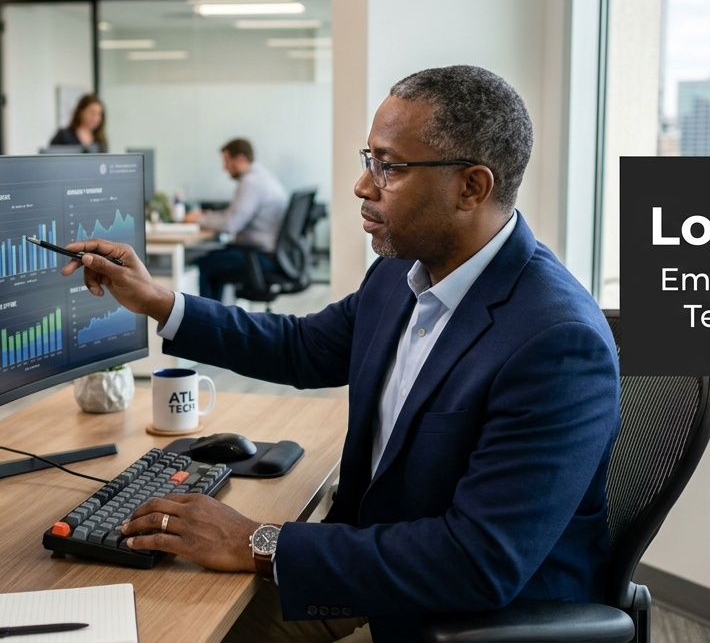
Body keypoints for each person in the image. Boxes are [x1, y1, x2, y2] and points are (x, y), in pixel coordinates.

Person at [61, 66, 620, 642]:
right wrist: (158, 301)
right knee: (159, 607)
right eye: (368, 158)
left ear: (471, 187)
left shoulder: (556, 343)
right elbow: (301, 348)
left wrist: (256, 540)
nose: (362, 185)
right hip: (368, 574)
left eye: (389, 166)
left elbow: (477, 561)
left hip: (458, 620)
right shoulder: (404, 272)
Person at [185, 138, 289, 300]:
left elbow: (230, 223)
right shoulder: (263, 177)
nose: (224, 168)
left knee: (204, 265)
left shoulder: (252, 182)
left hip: (258, 256)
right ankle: (214, 320)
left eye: (227, 161)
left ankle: (207, 321)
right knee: (213, 259)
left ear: (240, 159)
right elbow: (232, 216)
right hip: (268, 254)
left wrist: (199, 219)